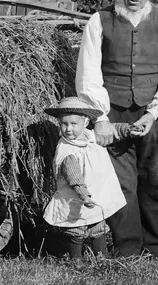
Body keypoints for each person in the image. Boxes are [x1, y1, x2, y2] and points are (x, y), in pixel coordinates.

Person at [76, 0, 158, 259]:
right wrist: (101, 119)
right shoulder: (99, 21)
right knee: (120, 184)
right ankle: (127, 246)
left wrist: (154, 113)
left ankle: (156, 245)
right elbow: (87, 75)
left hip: (153, 114)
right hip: (113, 113)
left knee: (155, 181)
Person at [42, 96, 126, 260]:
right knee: (77, 228)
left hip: (96, 191)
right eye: (64, 124)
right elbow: (74, 177)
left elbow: (114, 131)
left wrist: (129, 129)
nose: (68, 129)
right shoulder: (67, 150)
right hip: (77, 196)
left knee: (97, 225)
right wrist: (84, 195)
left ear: (85, 123)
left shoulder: (91, 137)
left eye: (74, 124)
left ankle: (101, 258)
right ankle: (76, 260)